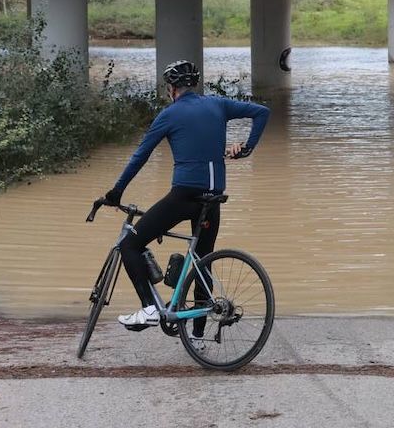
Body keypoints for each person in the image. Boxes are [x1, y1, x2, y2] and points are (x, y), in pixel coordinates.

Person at [103, 59, 270, 330]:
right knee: (203, 261)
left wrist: (116, 191)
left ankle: (149, 309)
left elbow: (140, 156)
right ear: (194, 85)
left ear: (171, 88)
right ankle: (198, 335)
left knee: (129, 245)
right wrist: (248, 148)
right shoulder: (218, 104)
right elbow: (262, 112)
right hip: (214, 198)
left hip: (184, 197)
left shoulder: (169, 115)